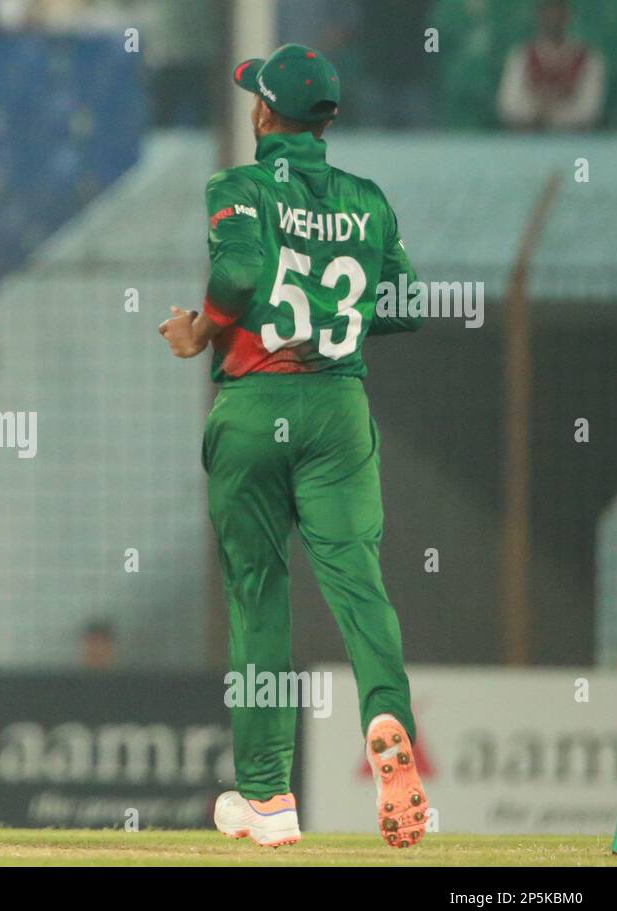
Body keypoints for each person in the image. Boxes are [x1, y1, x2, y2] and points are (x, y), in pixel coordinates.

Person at [158, 44, 426, 849]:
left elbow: (238, 278)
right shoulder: (368, 202)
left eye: (256, 100)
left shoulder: (236, 187)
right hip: (339, 405)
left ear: (266, 116)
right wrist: (324, 320)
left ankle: (270, 798)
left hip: (254, 407)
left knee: (259, 594)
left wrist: (197, 329)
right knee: (358, 582)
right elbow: (407, 299)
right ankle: (386, 713)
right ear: (330, 121)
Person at [497, 0, 606, 131]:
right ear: (539, 16)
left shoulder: (589, 58)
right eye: (548, 13)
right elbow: (509, 105)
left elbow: (590, 110)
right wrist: (537, 111)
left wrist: (554, 114)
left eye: (559, 13)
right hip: (527, 140)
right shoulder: (522, 56)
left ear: (568, 17)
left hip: (574, 141)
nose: (554, 19)